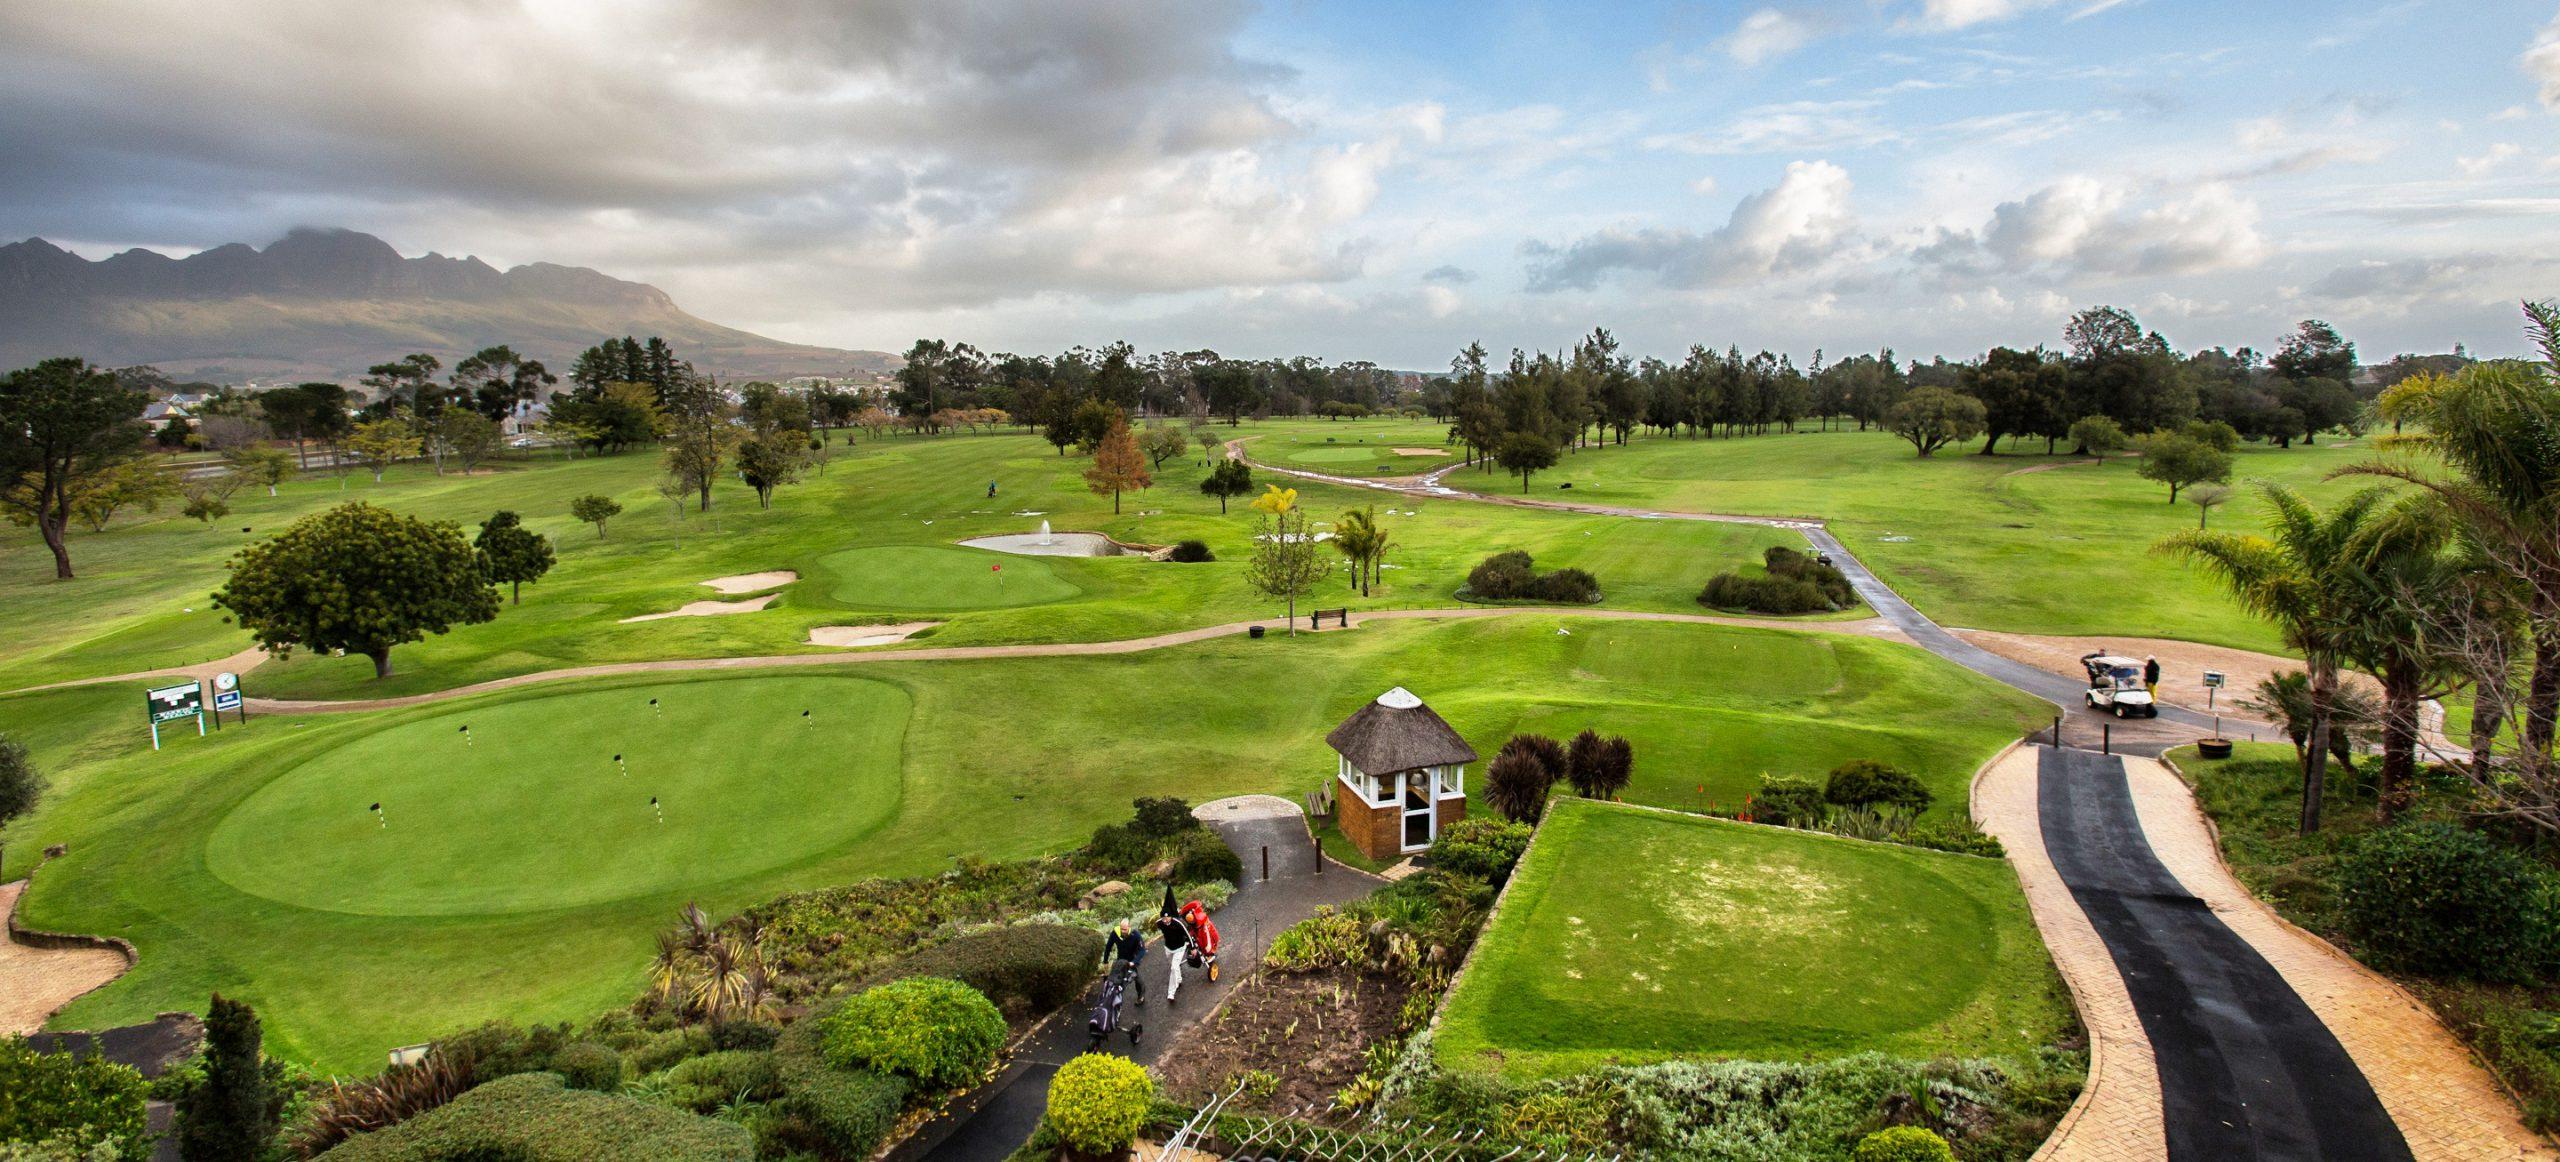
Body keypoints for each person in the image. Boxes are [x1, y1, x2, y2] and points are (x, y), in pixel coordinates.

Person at [1103, 919, 1147, 1004]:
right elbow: (1108, 947)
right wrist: (1105, 961)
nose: (1123, 931)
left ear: (1129, 927)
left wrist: (1134, 962)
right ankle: (1112, 999)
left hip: (1132, 959)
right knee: (1116, 978)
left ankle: (1141, 996)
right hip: (1121, 959)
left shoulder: (1135, 934)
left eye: (1125, 929)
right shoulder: (1115, 933)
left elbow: (1142, 950)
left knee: (1136, 977)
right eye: (1121, 929)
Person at [1154, 910, 1193, 1003]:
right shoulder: (1160, 923)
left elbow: (1187, 934)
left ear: (1171, 916)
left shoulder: (1178, 923)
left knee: (1173, 968)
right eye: (1164, 919)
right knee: (1174, 966)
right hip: (1168, 948)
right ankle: (1179, 979)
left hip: (1180, 948)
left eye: (1167, 918)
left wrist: (1193, 947)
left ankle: (1171, 993)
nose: (1166, 920)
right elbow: (1156, 924)